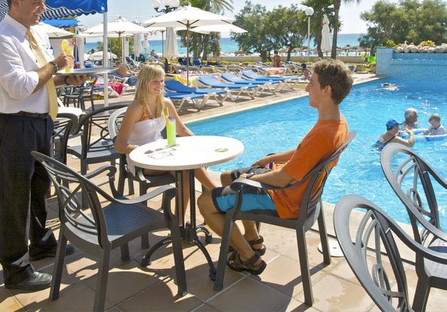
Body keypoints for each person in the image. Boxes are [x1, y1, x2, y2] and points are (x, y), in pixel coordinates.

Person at [0, 0, 88, 291]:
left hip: (39, 122)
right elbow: (20, 87)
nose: (43, 9)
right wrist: (54, 65)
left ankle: (40, 243)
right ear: (15, 3)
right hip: (12, 127)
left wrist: (67, 81)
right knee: (14, 199)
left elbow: (41, 82)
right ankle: (16, 270)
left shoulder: (36, 34)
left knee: (39, 188)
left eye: (44, 2)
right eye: (37, 2)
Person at [198, 59, 353, 275]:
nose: (307, 88)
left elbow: (282, 179)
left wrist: (250, 180)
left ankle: (249, 257)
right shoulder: (337, 122)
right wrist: (264, 162)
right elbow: (302, 152)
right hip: (297, 192)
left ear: (326, 90)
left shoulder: (323, 134)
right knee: (226, 177)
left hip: (285, 199)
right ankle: (253, 239)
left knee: (205, 202)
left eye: (312, 83)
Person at [114, 65, 216, 220]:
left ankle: (179, 224)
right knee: (187, 166)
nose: (160, 85)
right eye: (155, 81)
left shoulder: (165, 104)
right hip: (141, 160)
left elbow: (181, 130)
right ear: (144, 82)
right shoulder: (136, 108)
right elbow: (119, 144)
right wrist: (136, 150)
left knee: (187, 171)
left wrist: (199, 144)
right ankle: (219, 194)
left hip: (163, 153)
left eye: (162, 81)